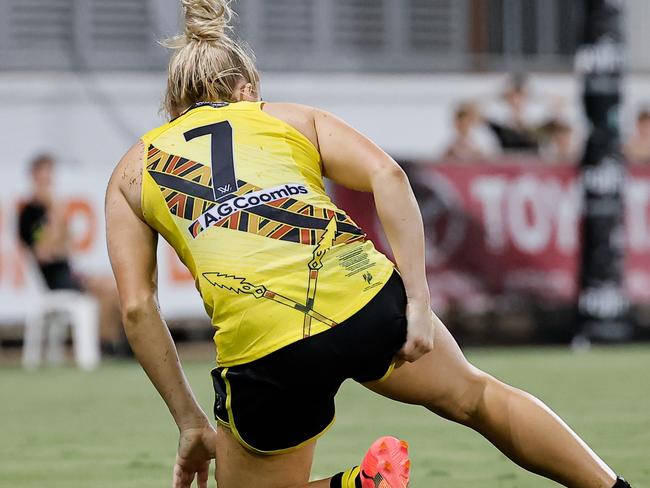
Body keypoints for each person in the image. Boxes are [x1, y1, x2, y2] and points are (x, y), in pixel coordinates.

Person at [105, 1, 633, 487]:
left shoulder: (132, 170)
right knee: (477, 397)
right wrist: (420, 304)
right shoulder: (286, 117)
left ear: (174, 107)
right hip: (364, 294)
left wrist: (189, 420)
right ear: (246, 89)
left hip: (265, 342)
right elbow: (389, 175)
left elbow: (136, 307)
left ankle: (361, 485)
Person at [18, 154, 125, 355]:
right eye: (44, 176)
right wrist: (53, 213)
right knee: (101, 293)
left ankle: (110, 343)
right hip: (54, 278)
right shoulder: (29, 214)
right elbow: (43, 253)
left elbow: (66, 247)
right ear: (34, 177)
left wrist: (56, 222)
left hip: (68, 271)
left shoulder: (56, 209)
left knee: (112, 286)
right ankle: (106, 346)